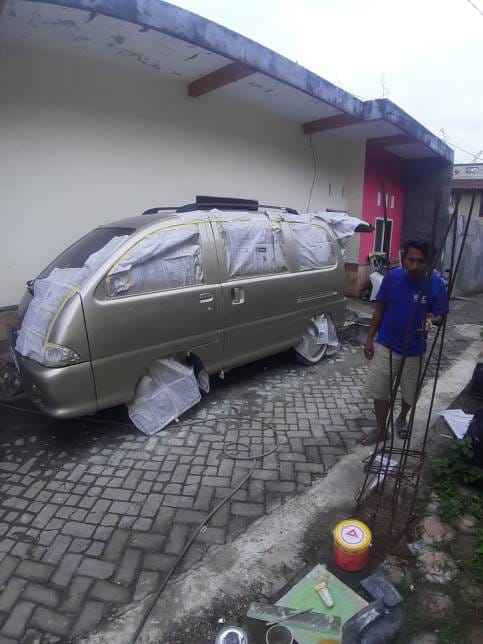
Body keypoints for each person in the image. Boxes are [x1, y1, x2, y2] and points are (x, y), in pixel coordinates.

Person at [361, 240, 448, 445]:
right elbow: (379, 310)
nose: (415, 266)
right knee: (380, 389)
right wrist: (369, 340)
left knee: (410, 392)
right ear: (404, 258)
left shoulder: (436, 284)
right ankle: (381, 430)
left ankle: (401, 419)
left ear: (429, 262)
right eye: (411, 259)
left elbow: (441, 316)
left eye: (421, 261)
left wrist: (431, 319)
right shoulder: (392, 277)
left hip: (415, 348)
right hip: (386, 344)